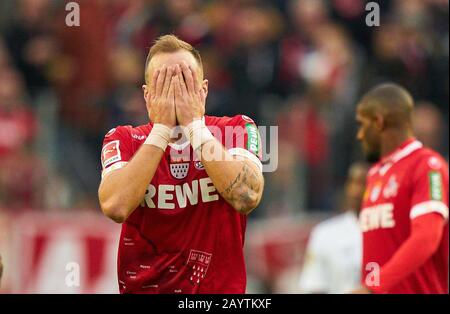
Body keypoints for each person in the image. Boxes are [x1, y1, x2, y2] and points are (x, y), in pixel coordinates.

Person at [97, 34, 265, 294]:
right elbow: (115, 206)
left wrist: (195, 127)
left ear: (204, 90)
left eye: (185, 83)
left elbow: (247, 196)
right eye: (164, 84)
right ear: (147, 95)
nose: (175, 93)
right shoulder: (124, 138)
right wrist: (162, 130)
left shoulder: (236, 129)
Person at [353, 83, 448, 294]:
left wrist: (373, 286)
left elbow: (427, 238)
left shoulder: (427, 166)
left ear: (378, 122)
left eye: (362, 125)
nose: (359, 135)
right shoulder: (375, 174)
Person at [298, 162, 369, 293]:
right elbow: (314, 286)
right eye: (352, 182)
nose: (355, 191)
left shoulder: (395, 233)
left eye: (364, 183)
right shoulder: (324, 234)